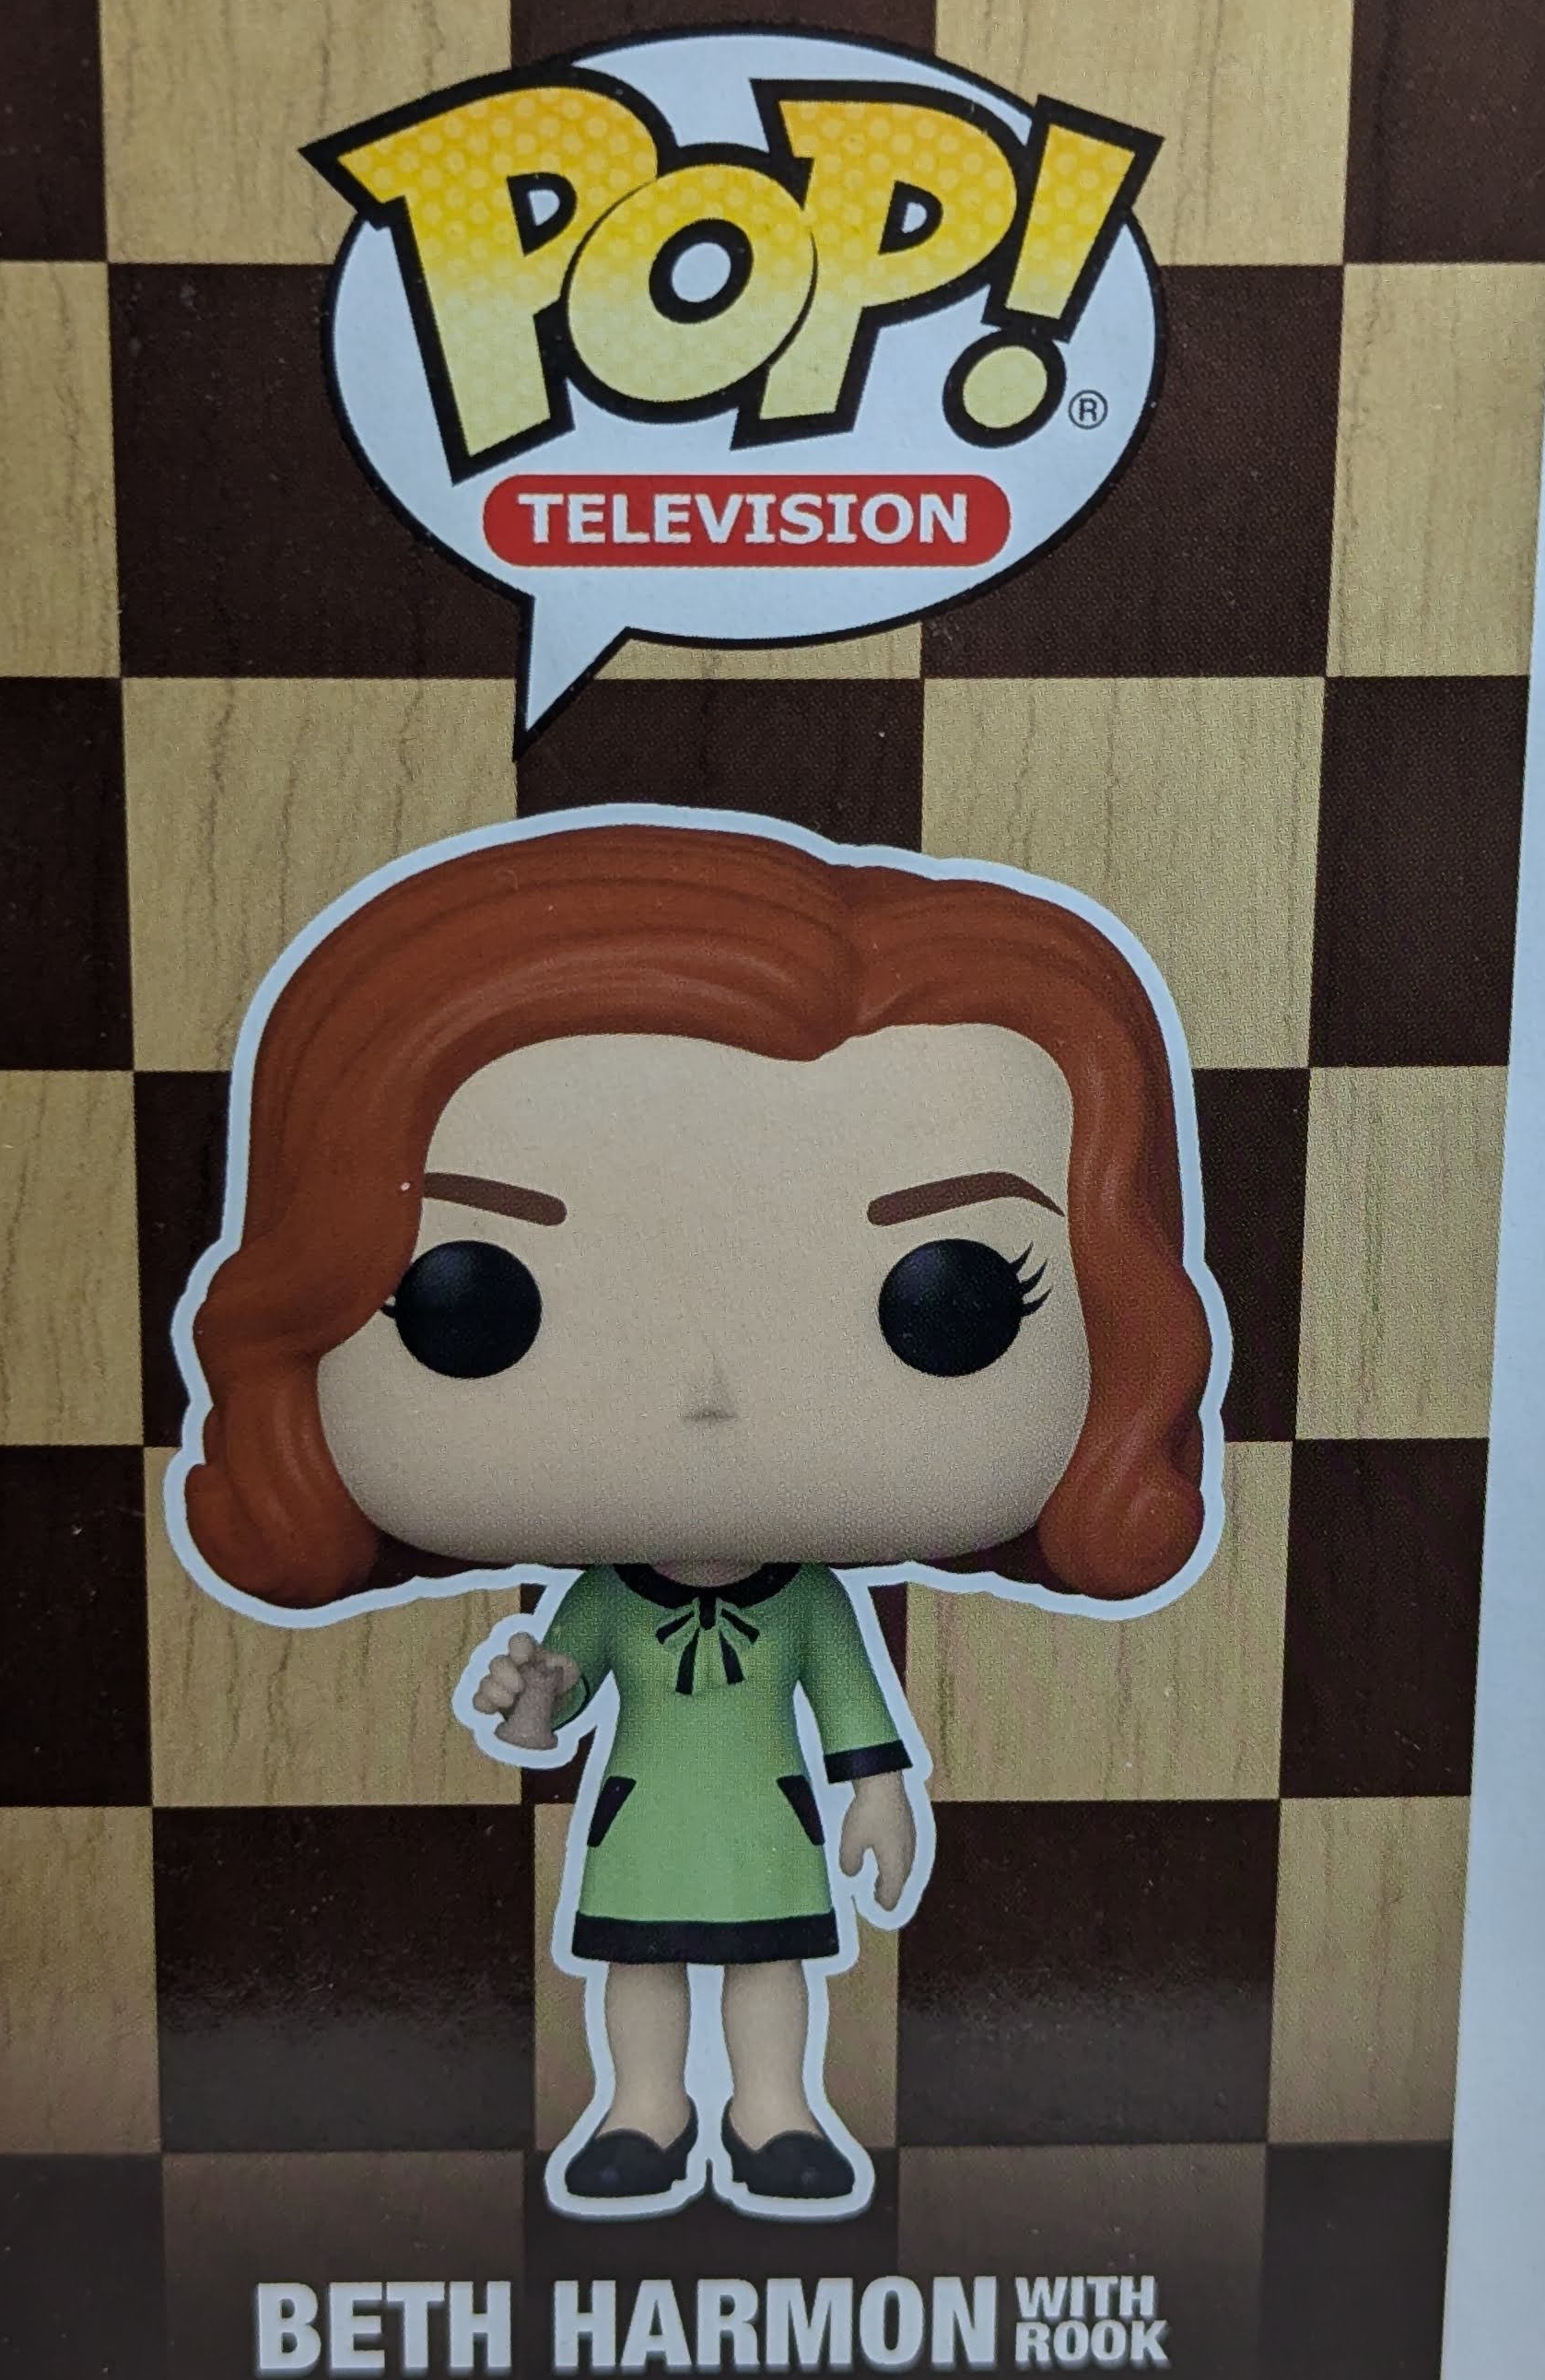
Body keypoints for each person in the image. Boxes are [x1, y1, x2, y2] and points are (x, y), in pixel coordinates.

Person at [178, 814, 1217, 2218]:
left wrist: (879, 1791)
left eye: (953, 1300)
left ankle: (776, 2113)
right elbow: (550, 1714)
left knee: (773, 1970)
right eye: (471, 1302)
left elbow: (853, 1709)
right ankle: (646, 2109)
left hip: (770, 1820)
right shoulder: (605, 1600)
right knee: (643, 1969)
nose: (710, 1391)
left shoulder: (811, 1605)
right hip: (646, 1821)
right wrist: (529, 1696)